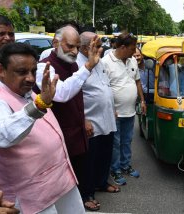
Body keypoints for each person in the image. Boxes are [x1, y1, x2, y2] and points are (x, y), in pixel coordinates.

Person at [0, 43, 85, 214]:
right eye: (22, 72)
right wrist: (38, 105)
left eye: (33, 71)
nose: (30, 78)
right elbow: (1, 135)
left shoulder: (20, 88)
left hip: (58, 180)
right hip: (29, 194)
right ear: (1, 70)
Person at [34, 26, 102, 210]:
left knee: (77, 179)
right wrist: (88, 66)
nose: (74, 52)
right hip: (56, 139)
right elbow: (61, 93)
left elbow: (78, 97)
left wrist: (84, 119)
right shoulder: (43, 67)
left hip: (76, 134)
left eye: (77, 47)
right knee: (61, 188)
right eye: (70, 46)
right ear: (56, 43)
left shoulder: (73, 65)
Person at [76, 31, 119, 211]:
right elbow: (74, 95)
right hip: (90, 121)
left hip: (106, 118)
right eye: (98, 45)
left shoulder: (99, 61)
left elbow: (105, 85)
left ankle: (101, 182)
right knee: (88, 160)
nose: (102, 49)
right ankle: (86, 194)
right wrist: (83, 119)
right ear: (86, 47)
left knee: (104, 154)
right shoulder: (77, 64)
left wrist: (112, 107)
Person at [102, 33, 146, 185]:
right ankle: (115, 170)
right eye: (132, 48)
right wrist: (111, 108)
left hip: (130, 111)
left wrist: (142, 100)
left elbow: (138, 82)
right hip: (114, 113)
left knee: (127, 141)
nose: (135, 52)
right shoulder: (106, 62)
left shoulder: (132, 60)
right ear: (122, 47)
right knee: (115, 143)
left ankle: (125, 165)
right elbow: (103, 88)